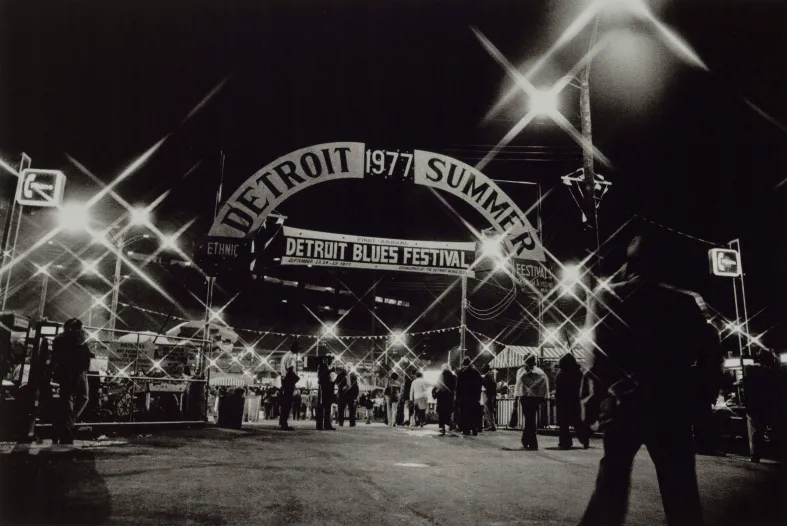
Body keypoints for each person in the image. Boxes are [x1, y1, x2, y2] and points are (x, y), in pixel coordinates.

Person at [578, 234, 722, 526]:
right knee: (680, 487)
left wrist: (591, 403)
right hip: (670, 405)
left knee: (611, 484)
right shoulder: (684, 301)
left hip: (623, 403)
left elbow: (599, 357)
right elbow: (709, 349)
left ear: (631, 263)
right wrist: (702, 398)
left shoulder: (608, 296)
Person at [51, 319, 94, 444]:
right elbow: (84, 353)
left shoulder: (59, 339)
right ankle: (66, 426)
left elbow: (56, 356)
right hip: (77, 371)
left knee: (67, 399)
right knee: (83, 397)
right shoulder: (79, 337)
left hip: (66, 372)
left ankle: (64, 426)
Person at [742, 350, 779, 463]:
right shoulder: (769, 372)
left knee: (755, 429)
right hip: (764, 404)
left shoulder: (750, 369)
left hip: (752, 404)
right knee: (762, 429)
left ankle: (755, 455)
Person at [514, 353, 548, 450]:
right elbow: (544, 387)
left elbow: (518, 386)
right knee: (531, 419)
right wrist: (543, 398)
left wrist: (516, 400)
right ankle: (528, 440)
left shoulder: (520, 371)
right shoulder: (540, 372)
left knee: (529, 419)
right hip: (534, 399)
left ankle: (530, 441)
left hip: (525, 398)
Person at [555, 353, 588, 449]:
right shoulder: (578, 372)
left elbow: (559, 387)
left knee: (563, 423)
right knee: (576, 421)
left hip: (563, 400)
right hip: (574, 399)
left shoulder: (561, 373)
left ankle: (565, 442)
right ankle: (584, 439)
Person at [456, 357, 483, 436]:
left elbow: (458, 386)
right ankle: (474, 427)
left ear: (463, 363)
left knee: (465, 412)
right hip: (474, 396)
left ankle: (466, 429)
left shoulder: (461, 372)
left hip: (464, 396)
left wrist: (458, 397)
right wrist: (478, 395)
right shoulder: (476, 372)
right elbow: (480, 384)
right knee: (473, 412)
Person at [278, 342, 300, 431]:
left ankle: (282, 421)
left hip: (284, 380)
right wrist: (296, 379)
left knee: (284, 402)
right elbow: (290, 370)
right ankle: (284, 424)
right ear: (294, 348)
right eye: (297, 348)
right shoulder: (291, 357)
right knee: (287, 403)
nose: (298, 351)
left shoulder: (285, 356)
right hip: (288, 381)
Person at [435, 363, 456, 436]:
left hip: (441, 396)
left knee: (441, 412)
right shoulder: (453, 376)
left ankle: (442, 427)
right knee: (448, 411)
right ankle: (449, 423)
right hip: (450, 396)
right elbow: (454, 387)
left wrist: (435, 393)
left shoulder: (441, 375)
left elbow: (437, 385)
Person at [316, 360, 335, 430]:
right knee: (321, 406)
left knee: (328, 407)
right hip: (323, 388)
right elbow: (320, 377)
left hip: (329, 388)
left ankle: (327, 424)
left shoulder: (331, 367)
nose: (331, 360)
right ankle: (319, 425)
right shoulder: (322, 366)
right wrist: (329, 371)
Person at [481, 365, 497, 431]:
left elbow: (492, 384)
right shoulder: (490, 375)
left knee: (488, 410)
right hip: (490, 394)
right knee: (490, 410)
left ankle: (491, 425)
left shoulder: (488, 375)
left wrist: (487, 390)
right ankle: (492, 425)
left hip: (488, 395)